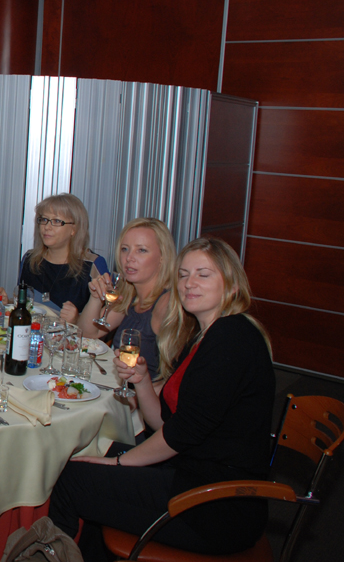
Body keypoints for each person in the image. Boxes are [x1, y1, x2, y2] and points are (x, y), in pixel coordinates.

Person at [50, 237, 275, 560]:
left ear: (232, 284)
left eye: (203, 274)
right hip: (190, 474)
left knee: (72, 480)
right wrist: (142, 381)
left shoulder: (232, 338)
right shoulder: (205, 334)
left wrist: (119, 464)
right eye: (183, 274)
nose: (189, 283)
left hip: (213, 506)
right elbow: (164, 423)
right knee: (89, 455)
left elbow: (181, 434)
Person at [77, 217, 175, 380]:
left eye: (141, 250)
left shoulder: (166, 303)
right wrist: (95, 298)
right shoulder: (130, 295)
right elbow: (87, 334)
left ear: (163, 257)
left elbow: (172, 377)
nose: (129, 258)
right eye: (124, 249)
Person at [0, 194, 107, 324]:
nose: (47, 227)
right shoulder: (29, 259)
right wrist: (7, 302)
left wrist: (77, 320)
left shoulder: (93, 264)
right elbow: (26, 307)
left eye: (56, 221)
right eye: (44, 219)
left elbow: (103, 323)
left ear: (74, 229)